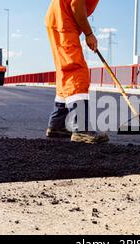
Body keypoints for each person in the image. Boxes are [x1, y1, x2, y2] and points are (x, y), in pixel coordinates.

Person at [45, 0, 108, 144]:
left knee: (65, 70)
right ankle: (81, 129)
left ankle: (57, 125)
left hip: (59, 19)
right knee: (76, 70)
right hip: (63, 20)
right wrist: (89, 34)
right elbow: (76, 4)